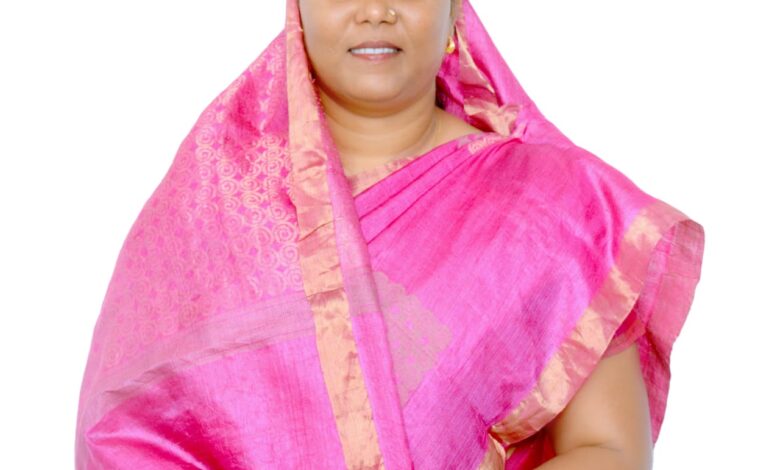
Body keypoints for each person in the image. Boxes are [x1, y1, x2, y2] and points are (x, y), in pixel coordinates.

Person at [74, 0, 705, 468]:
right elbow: (125, 430)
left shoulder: (555, 205)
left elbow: (611, 449)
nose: (375, 10)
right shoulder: (216, 198)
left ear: (455, 11)